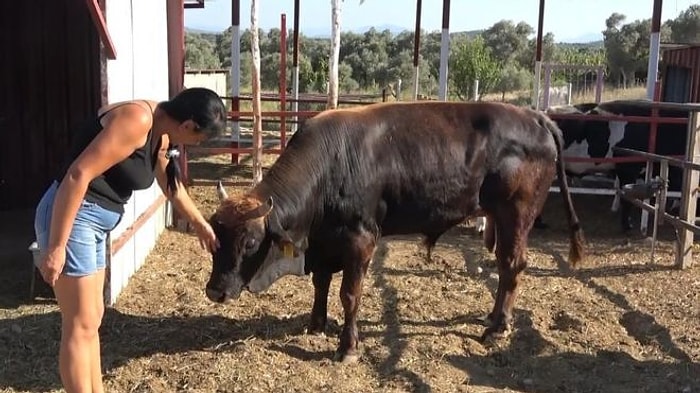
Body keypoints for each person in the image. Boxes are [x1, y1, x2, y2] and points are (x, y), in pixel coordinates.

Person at [33, 87, 227, 393]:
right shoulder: (138, 120)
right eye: (199, 140)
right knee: (79, 324)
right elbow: (77, 175)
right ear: (188, 125)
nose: (195, 145)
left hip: (93, 223)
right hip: (73, 217)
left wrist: (200, 223)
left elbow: (171, 185)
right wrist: (57, 247)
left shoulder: (162, 133)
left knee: (91, 318)